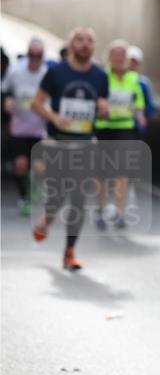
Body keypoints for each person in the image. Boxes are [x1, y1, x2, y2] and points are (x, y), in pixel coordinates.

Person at [30, 27, 110, 270]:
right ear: (71, 44)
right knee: (57, 196)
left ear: (94, 47)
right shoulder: (56, 72)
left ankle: (69, 252)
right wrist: (54, 118)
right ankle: (47, 219)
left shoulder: (100, 75)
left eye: (89, 41)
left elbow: (103, 107)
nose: (85, 44)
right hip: (57, 143)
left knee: (77, 198)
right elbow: (36, 103)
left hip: (85, 144)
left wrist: (104, 110)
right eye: (80, 40)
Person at [94, 40, 146, 230]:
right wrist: (100, 108)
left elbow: (138, 102)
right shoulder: (101, 77)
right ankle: (99, 210)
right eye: (114, 55)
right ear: (109, 57)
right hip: (104, 127)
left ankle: (119, 211)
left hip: (125, 127)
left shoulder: (133, 78)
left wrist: (139, 115)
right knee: (101, 173)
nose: (118, 59)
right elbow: (93, 98)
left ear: (126, 58)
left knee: (122, 171)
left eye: (121, 56)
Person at [1, 38, 49, 215]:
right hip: (19, 127)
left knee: (38, 167)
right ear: (28, 54)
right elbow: (5, 89)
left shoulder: (47, 73)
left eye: (39, 55)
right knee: (20, 165)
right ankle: (24, 197)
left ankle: (34, 188)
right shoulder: (16, 71)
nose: (35, 58)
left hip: (39, 128)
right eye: (32, 55)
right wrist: (7, 101)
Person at [127, 45, 156, 134]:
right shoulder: (115, 80)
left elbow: (150, 106)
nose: (131, 63)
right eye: (130, 60)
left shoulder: (143, 83)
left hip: (136, 127)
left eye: (134, 61)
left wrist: (142, 117)